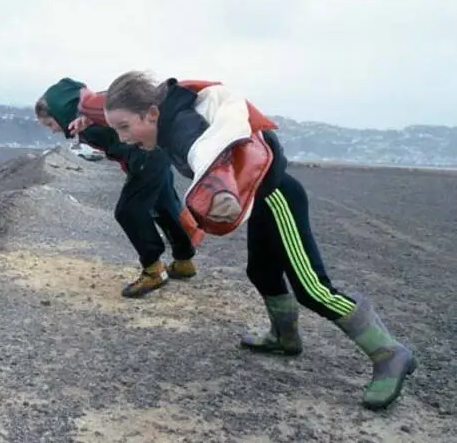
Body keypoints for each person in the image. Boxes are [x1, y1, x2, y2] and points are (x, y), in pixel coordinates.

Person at [69, 71, 416, 411]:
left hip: (277, 197)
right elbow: (104, 105)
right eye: (117, 130)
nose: (123, 138)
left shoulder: (181, 128)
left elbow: (207, 153)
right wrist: (87, 118)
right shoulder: (166, 113)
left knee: (312, 289)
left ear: (152, 114)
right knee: (261, 272)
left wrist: (219, 195)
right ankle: (285, 337)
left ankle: (388, 351)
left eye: (125, 128)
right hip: (261, 199)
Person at [35, 77, 205, 298]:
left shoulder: (92, 114)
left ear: (58, 111)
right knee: (163, 205)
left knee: (129, 211)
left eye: (50, 124)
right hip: (156, 151)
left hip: (146, 154)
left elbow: (122, 126)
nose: (52, 130)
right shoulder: (88, 111)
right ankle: (184, 261)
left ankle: (153, 270)